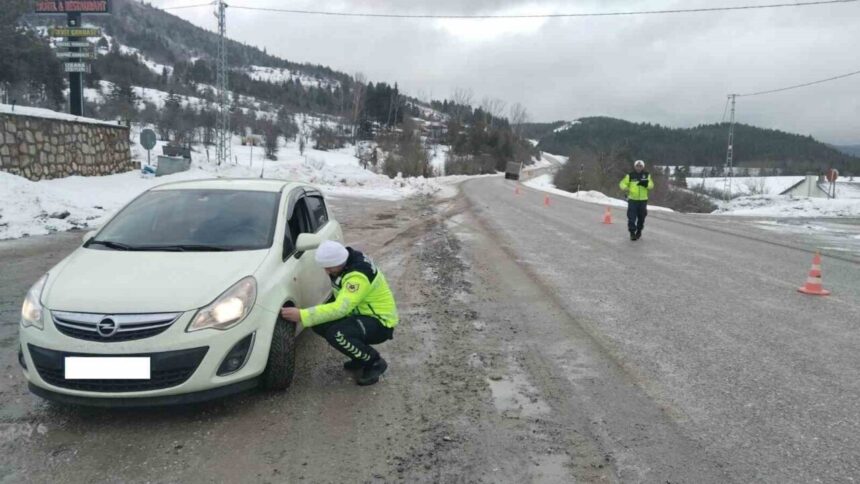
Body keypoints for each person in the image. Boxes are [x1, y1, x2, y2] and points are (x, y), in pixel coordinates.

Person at [280, 240, 398, 386]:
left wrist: (302, 315)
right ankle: (360, 356)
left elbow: (341, 308)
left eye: (329, 268)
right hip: (360, 313)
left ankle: (374, 362)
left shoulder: (357, 277)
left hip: (380, 321)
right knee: (318, 323)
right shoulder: (345, 262)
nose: (327, 272)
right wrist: (312, 316)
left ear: (340, 261)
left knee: (337, 334)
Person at [619, 160, 654, 241]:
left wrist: (645, 184)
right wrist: (626, 187)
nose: (639, 167)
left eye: (640, 166)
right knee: (631, 217)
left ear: (643, 167)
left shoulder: (647, 175)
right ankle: (632, 233)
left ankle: (639, 230)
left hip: (643, 200)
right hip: (632, 200)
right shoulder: (630, 175)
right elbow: (622, 183)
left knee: (641, 217)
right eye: (637, 166)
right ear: (635, 166)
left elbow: (651, 185)